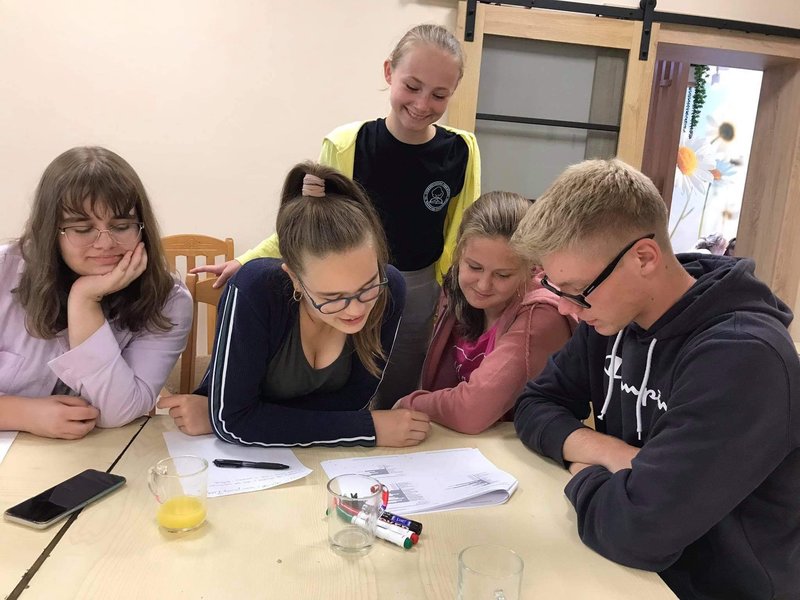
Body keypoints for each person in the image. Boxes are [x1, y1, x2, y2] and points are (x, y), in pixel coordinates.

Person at [511, 159, 800, 599]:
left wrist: (583, 472)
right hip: (629, 575)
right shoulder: (609, 318)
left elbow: (636, 531)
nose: (567, 309)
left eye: (577, 290)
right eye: (556, 289)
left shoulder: (743, 358)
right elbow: (533, 405)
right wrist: (612, 453)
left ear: (644, 258)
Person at [193, 24, 481, 407]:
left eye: (439, 94)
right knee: (344, 388)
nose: (422, 103)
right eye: (412, 86)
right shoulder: (348, 144)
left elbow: (463, 232)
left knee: (399, 387)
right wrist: (247, 260)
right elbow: (309, 223)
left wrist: (460, 289)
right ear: (388, 72)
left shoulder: (462, 150)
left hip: (417, 288)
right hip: (347, 286)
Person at [159, 163, 431, 447]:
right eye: (332, 297)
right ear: (294, 279)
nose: (356, 309)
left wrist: (256, 417)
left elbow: (351, 403)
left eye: (368, 286)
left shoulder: (390, 289)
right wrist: (367, 428)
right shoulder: (255, 289)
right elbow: (233, 421)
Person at [0, 146, 192, 439]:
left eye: (122, 226)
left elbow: (118, 412)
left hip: (104, 453)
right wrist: (22, 413)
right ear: (49, 231)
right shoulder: (5, 270)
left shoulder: (168, 299)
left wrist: (85, 300)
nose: (105, 243)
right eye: (82, 229)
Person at [394, 192, 575, 434]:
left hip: (517, 446)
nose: (483, 285)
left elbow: (471, 412)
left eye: (503, 275)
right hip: (461, 441)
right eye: (474, 267)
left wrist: (408, 403)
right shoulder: (455, 287)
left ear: (532, 267)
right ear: (458, 253)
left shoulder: (542, 317)